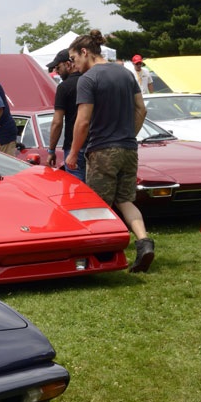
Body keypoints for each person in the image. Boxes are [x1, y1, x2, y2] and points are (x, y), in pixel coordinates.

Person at [66, 30, 154, 273]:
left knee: (98, 204)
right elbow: (142, 110)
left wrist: (73, 153)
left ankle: (102, 253)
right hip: (128, 148)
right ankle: (144, 242)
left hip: (102, 150)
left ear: (85, 53)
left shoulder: (88, 79)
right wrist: (129, 135)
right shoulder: (126, 73)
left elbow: (82, 122)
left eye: (74, 59)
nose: (73, 65)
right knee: (125, 200)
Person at [45, 49, 86, 180]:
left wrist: (51, 150)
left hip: (74, 147)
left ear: (68, 64)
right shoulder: (92, 81)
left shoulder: (64, 87)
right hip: (97, 146)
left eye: (58, 67)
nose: (57, 71)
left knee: (77, 191)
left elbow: (57, 122)